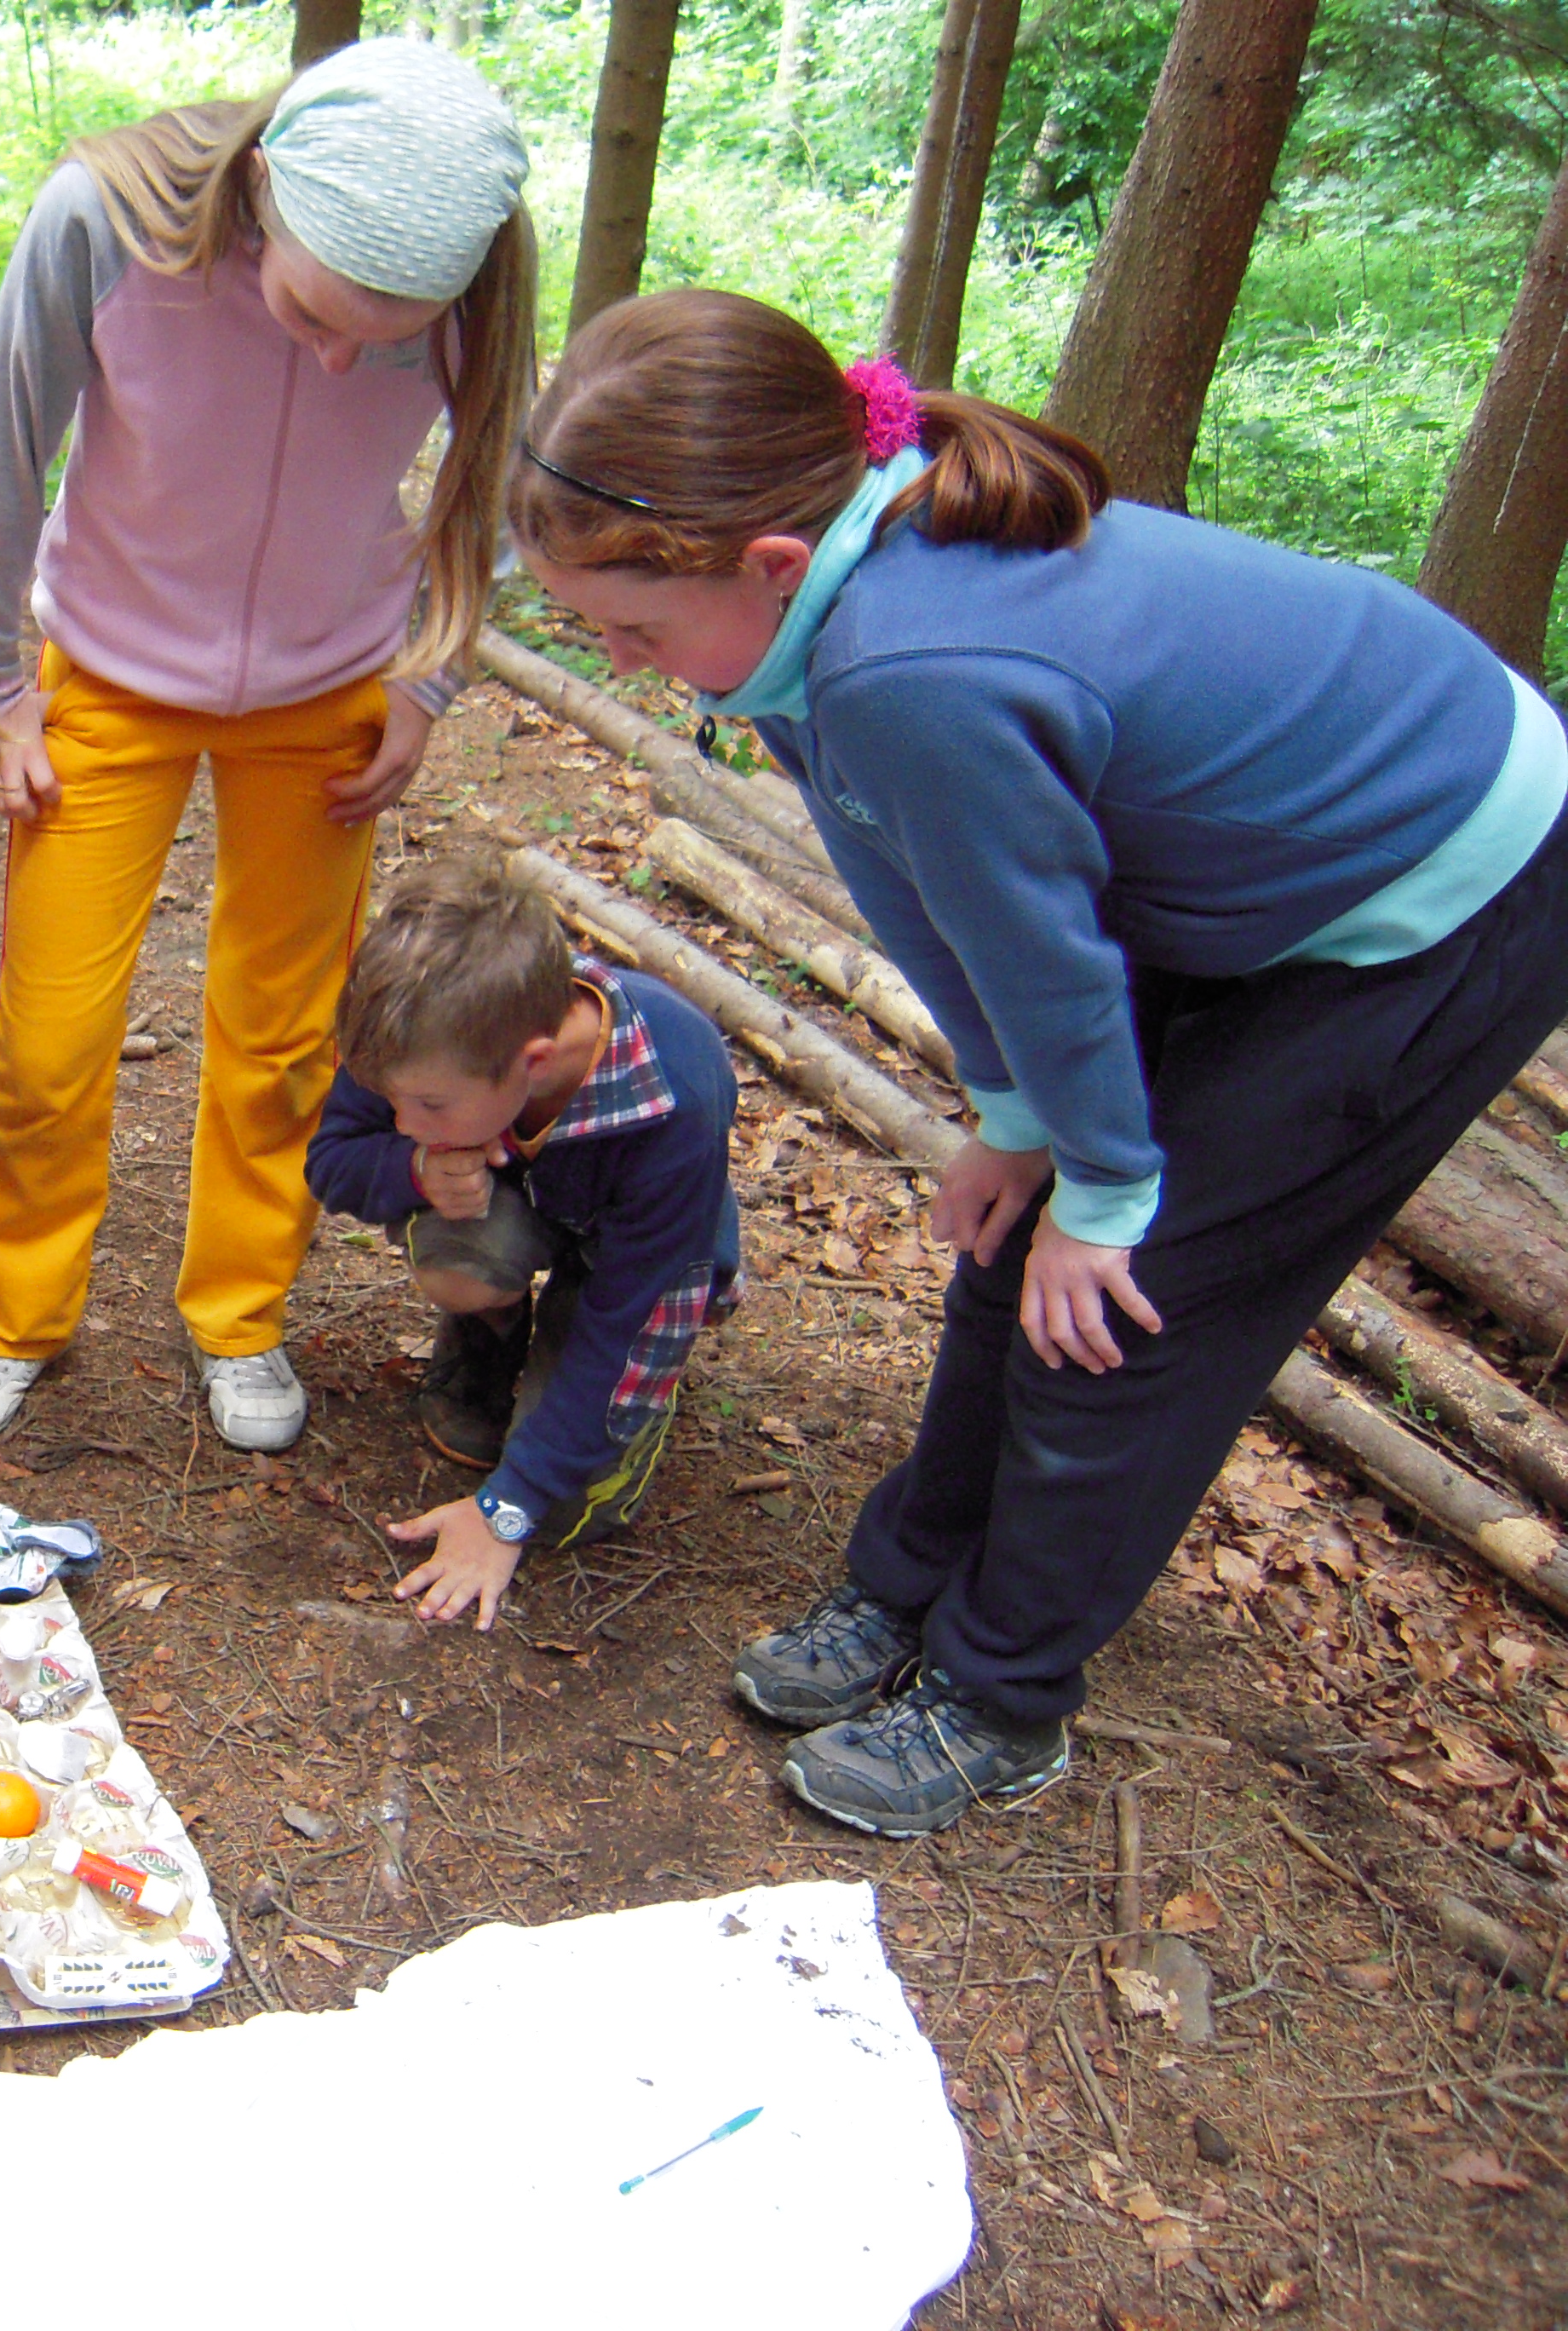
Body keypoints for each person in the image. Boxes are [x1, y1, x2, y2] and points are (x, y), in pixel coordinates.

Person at [514, 286, 1568, 1836]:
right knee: (1016, 1247)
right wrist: (1016, 1123)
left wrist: (1112, 1190)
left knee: (1123, 1314)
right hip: (1229, 864)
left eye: (634, 629)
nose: (620, 658)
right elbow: (923, 897)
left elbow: (1046, 958)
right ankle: (907, 1586)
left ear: (770, 563)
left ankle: (1004, 1694)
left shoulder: (911, 668)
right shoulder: (806, 630)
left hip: (1427, 885)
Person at [0, 37, 537, 1454]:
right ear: (261, 191)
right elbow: (2, 454)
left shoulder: (474, 274)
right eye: (314, 313)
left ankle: (240, 1313)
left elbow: (501, 476)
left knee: (285, 1034)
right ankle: (17, 1312)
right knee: (51, 1032)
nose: (338, 358)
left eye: (380, 341)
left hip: (328, 688)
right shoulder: (102, 224)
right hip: (106, 664)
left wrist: (427, 684)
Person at [306, 856, 738, 1629]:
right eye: (393, 1100)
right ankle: (491, 1339)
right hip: (526, 1199)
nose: (403, 1121)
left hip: (637, 1263)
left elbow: (629, 1322)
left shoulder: (676, 1100)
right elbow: (332, 1157)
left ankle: (594, 1394)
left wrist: (509, 1507)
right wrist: (413, 1169)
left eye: (427, 1106)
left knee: (565, 1511)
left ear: (532, 1064)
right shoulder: (425, 1023)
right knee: (462, 1264)